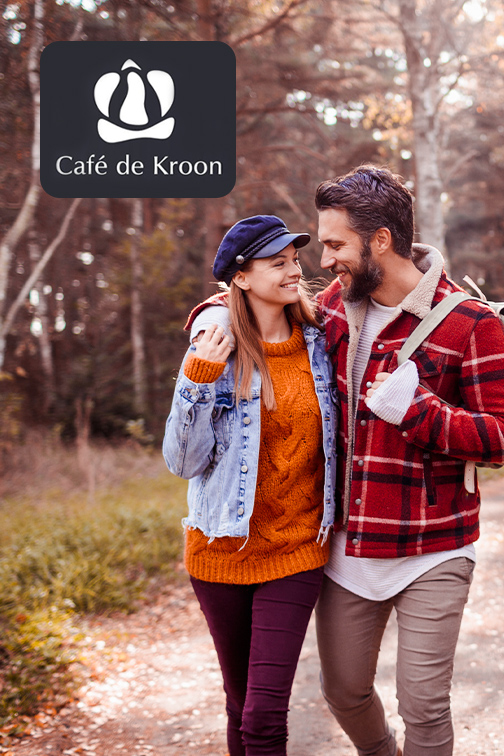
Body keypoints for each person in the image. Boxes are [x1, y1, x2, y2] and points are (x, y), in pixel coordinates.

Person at [312, 165, 504, 756]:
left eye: (336, 245)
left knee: (424, 707)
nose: (325, 260)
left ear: (380, 240)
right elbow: (261, 311)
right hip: (348, 549)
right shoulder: (333, 308)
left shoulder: (469, 323)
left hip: (435, 548)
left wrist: (419, 413)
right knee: (343, 691)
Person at [162, 215, 338, 756]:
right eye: (277, 263)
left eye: (294, 260)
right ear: (240, 277)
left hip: (296, 550)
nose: (294, 271)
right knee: (239, 704)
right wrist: (198, 379)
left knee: (263, 716)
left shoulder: (321, 341)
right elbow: (182, 462)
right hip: (220, 549)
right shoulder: (216, 346)